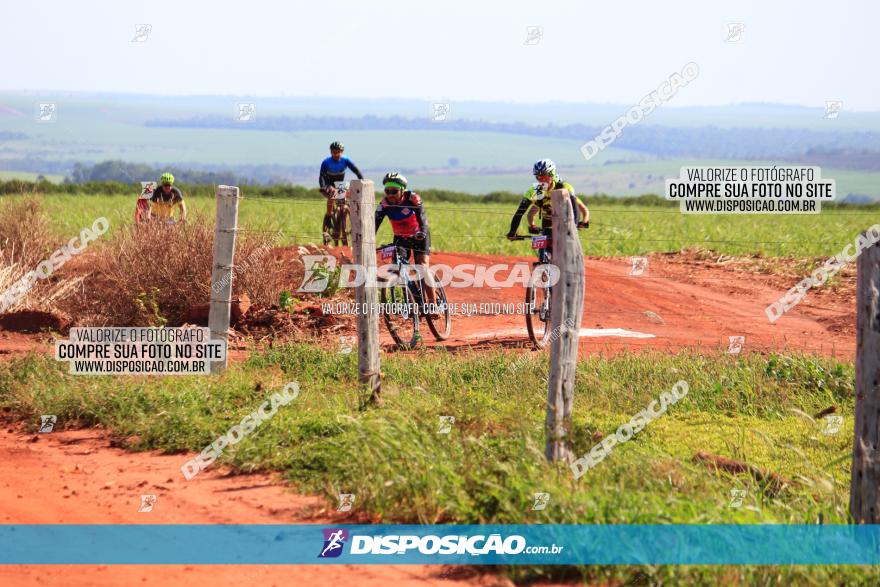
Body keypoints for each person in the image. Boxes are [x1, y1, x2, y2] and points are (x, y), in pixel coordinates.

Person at [374, 172, 436, 307]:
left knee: (422, 267)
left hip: (418, 236)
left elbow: (423, 220)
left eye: (394, 191)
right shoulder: (384, 204)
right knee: (398, 269)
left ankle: (433, 304)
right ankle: (416, 302)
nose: (390, 194)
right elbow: (374, 224)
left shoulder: (413, 198)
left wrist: (423, 232)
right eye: (387, 191)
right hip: (401, 238)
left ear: (402, 190)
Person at [506, 159, 588, 241]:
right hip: (547, 226)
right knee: (545, 245)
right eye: (539, 177)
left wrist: (574, 226)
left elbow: (576, 207)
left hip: (565, 225)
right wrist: (512, 232)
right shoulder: (536, 190)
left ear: (552, 175)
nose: (542, 180)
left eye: (545, 176)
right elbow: (520, 212)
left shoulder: (564, 187)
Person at [319, 141, 363, 242]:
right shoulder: (326, 162)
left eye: (338, 152)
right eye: (334, 152)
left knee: (347, 196)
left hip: (340, 183)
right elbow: (321, 176)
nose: (336, 154)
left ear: (341, 152)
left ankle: (344, 214)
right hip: (329, 184)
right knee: (332, 194)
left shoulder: (346, 160)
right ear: (331, 152)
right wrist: (323, 186)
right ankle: (329, 216)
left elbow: (356, 171)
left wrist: (362, 180)